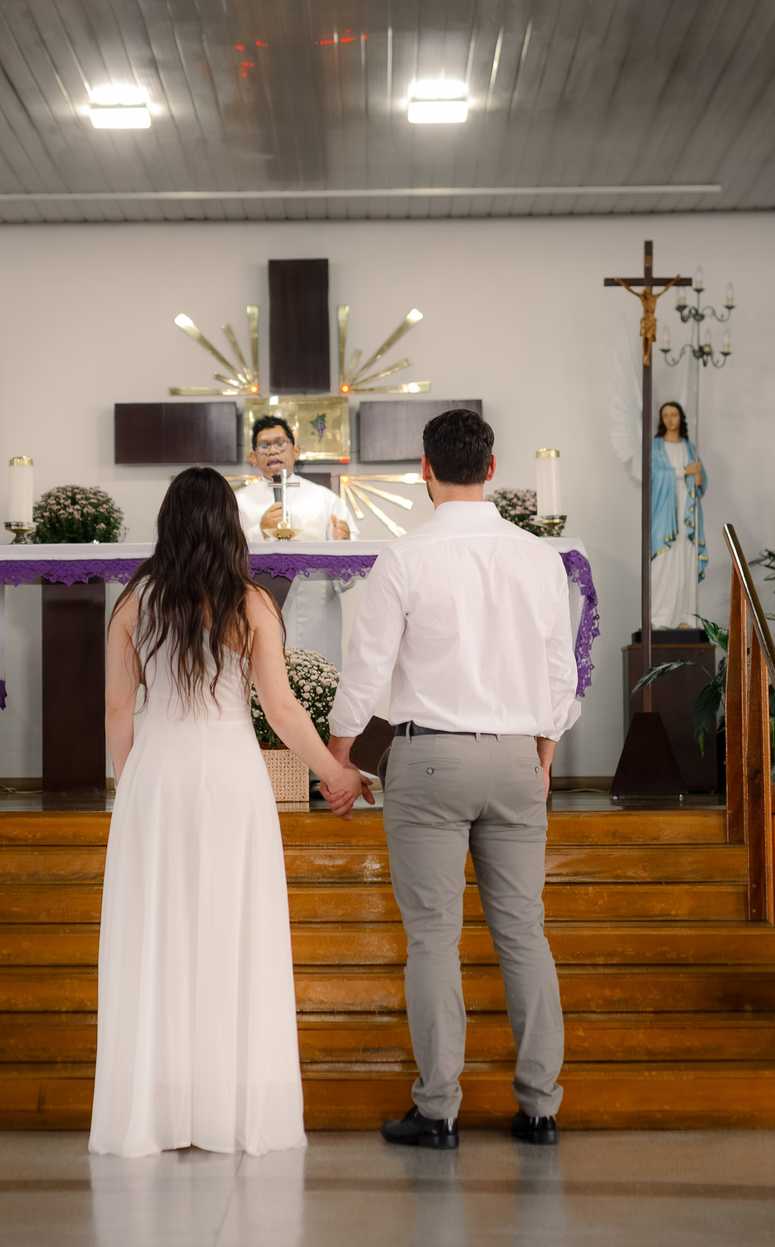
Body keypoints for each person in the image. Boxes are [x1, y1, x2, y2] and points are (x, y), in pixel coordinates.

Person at [90, 465, 366, 1157]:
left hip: (158, 775)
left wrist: (132, 786)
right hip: (232, 779)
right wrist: (335, 771)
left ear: (168, 523)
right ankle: (233, 1108)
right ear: (229, 526)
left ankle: (157, 1110)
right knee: (232, 932)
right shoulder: (250, 603)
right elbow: (282, 709)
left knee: (159, 935)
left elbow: (118, 710)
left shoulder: (134, 603)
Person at [326, 408, 579, 1150]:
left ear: (425, 471)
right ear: (492, 469)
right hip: (516, 756)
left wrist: (340, 760)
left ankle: (438, 1112)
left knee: (434, 939)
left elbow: (366, 671)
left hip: (430, 759)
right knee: (524, 933)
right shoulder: (539, 558)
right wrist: (544, 754)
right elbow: (560, 673)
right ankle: (541, 1109)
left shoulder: (406, 557)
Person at [234, 416, 352, 668]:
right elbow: (225, 557)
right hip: (257, 618)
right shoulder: (237, 503)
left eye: (280, 443)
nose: (273, 451)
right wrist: (258, 532)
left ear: (296, 450)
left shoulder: (325, 500)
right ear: (253, 457)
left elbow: (347, 577)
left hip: (317, 619)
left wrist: (343, 545)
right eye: (264, 446)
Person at [651, 400, 707, 630]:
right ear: (661, 419)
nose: (670, 419)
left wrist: (698, 477)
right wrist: (684, 470)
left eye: (674, 414)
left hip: (688, 511)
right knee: (663, 560)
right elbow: (653, 475)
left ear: (680, 417)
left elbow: (700, 478)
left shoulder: (689, 446)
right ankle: (660, 618)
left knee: (686, 558)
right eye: (666, 415)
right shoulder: (656, 446)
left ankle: (686, 617)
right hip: (666, 512)